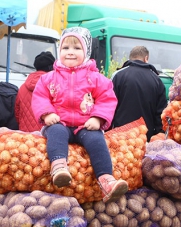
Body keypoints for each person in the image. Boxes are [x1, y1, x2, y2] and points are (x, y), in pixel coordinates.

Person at [32, 27, 128, 203]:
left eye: (77, 48)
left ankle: (106, 180)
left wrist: (97, 118)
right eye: (65, 48)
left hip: (85, 126)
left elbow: (107, 98)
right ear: (59, 51)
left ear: (86, 52)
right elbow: (40, 97)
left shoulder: (96, 78)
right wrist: (47, 114)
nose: (70, 52)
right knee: (56, 133)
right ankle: (59, 167)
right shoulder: (49, 78)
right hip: (59, 122)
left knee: (97, 141)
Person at [111, 46, 167, 142]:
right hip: (144, 137)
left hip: (119, 137)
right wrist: (159, 133)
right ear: (146, 58)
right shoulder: (156, 80)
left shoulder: (118, 75)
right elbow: (160, 113)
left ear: (130, 58)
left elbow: (110, 105)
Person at [15, 51, 55, 132]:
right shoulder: (54, 87)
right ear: (51, 68)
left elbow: (17, 114)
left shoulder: (22, 87)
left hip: (25, 138)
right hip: (47, 134)